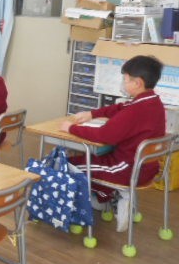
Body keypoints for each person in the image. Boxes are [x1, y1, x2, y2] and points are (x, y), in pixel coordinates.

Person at [60, 55, 165, 232]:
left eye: (125, 79)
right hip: (146, 168)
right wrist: (92, 114)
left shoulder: (136, 110)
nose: (123, 83)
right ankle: (105, 198)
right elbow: (120, 108)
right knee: (93, 158)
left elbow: (104, 136)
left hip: (125, 170)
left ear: (137, 83)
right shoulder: (153, 102)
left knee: (68, 165)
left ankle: (84, 212)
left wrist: (71, 128)